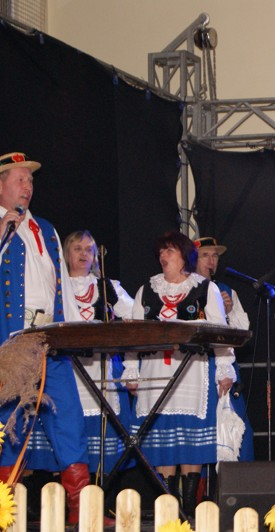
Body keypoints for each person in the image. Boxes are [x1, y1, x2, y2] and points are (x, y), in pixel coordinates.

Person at [0, 152, 92, 526]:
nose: (28, 187)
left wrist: (71, 332)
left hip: (49, 339)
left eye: (31, 181)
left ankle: (81, 509)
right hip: (11, 342)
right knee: (8, 424)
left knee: (68, 416)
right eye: (20, 180)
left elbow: (62, 287)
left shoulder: (46, 229)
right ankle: (5, 510)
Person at [123, 231, 235, 517]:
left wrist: (225, 369)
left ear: (184, 256)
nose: (163, 256)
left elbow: (220, 331)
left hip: (192, 373)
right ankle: (169, 509)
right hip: (155, 373)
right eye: (161, 252)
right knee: (162, 439)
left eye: (169, 251)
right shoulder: (147, 290)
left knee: (190, 438)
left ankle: (188, 509)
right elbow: (133, 335)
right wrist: (131, 370)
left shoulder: (204, 288)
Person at [64, 230, 135, 476]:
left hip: (102, 368)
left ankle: (101, 489)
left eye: (89, 249)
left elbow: (136, 314)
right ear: (67, 253)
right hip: (68, 369)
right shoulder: (57, 286)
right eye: (77, 249)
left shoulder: (106, 287)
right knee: (67, 428)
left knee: (103, 439)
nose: (84, 254)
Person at [194, 236, 254, 462]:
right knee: (202, 425)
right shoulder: (185, 289)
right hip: (197, 364)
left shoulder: (227, 291)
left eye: (215, 256)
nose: (211, 260)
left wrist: (227, 313)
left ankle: (239, 479)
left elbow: (244, 331)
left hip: (225, 362)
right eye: (205, 255)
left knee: (237, 424)